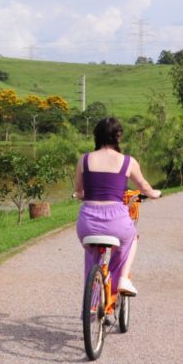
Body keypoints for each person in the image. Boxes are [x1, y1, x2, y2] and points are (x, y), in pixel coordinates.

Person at [74, 116, 161, 297]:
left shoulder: (84, 160)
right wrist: (154, 194)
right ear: (118, 137)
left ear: (96, 136)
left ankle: (93, 304)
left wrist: (83, 195)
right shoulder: (128, 161)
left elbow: (79, 191)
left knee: (91, 255)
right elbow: (144, 187)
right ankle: (122, 279)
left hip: (87, 222)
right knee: (132, 239)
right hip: (116, 220)